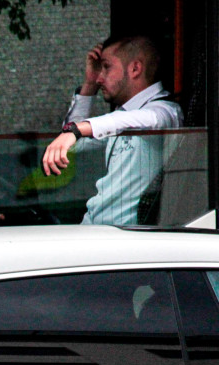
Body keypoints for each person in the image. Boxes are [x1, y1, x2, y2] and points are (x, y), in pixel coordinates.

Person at [42, 36, 183, 226]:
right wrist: (89, 85)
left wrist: (77, 131)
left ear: (135, 69)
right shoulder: (120, 116)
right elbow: (76, 144)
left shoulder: (165, 110)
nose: (100, 77)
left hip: (127, 238)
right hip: (96, 228)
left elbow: (145, 119)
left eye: (106, 67)